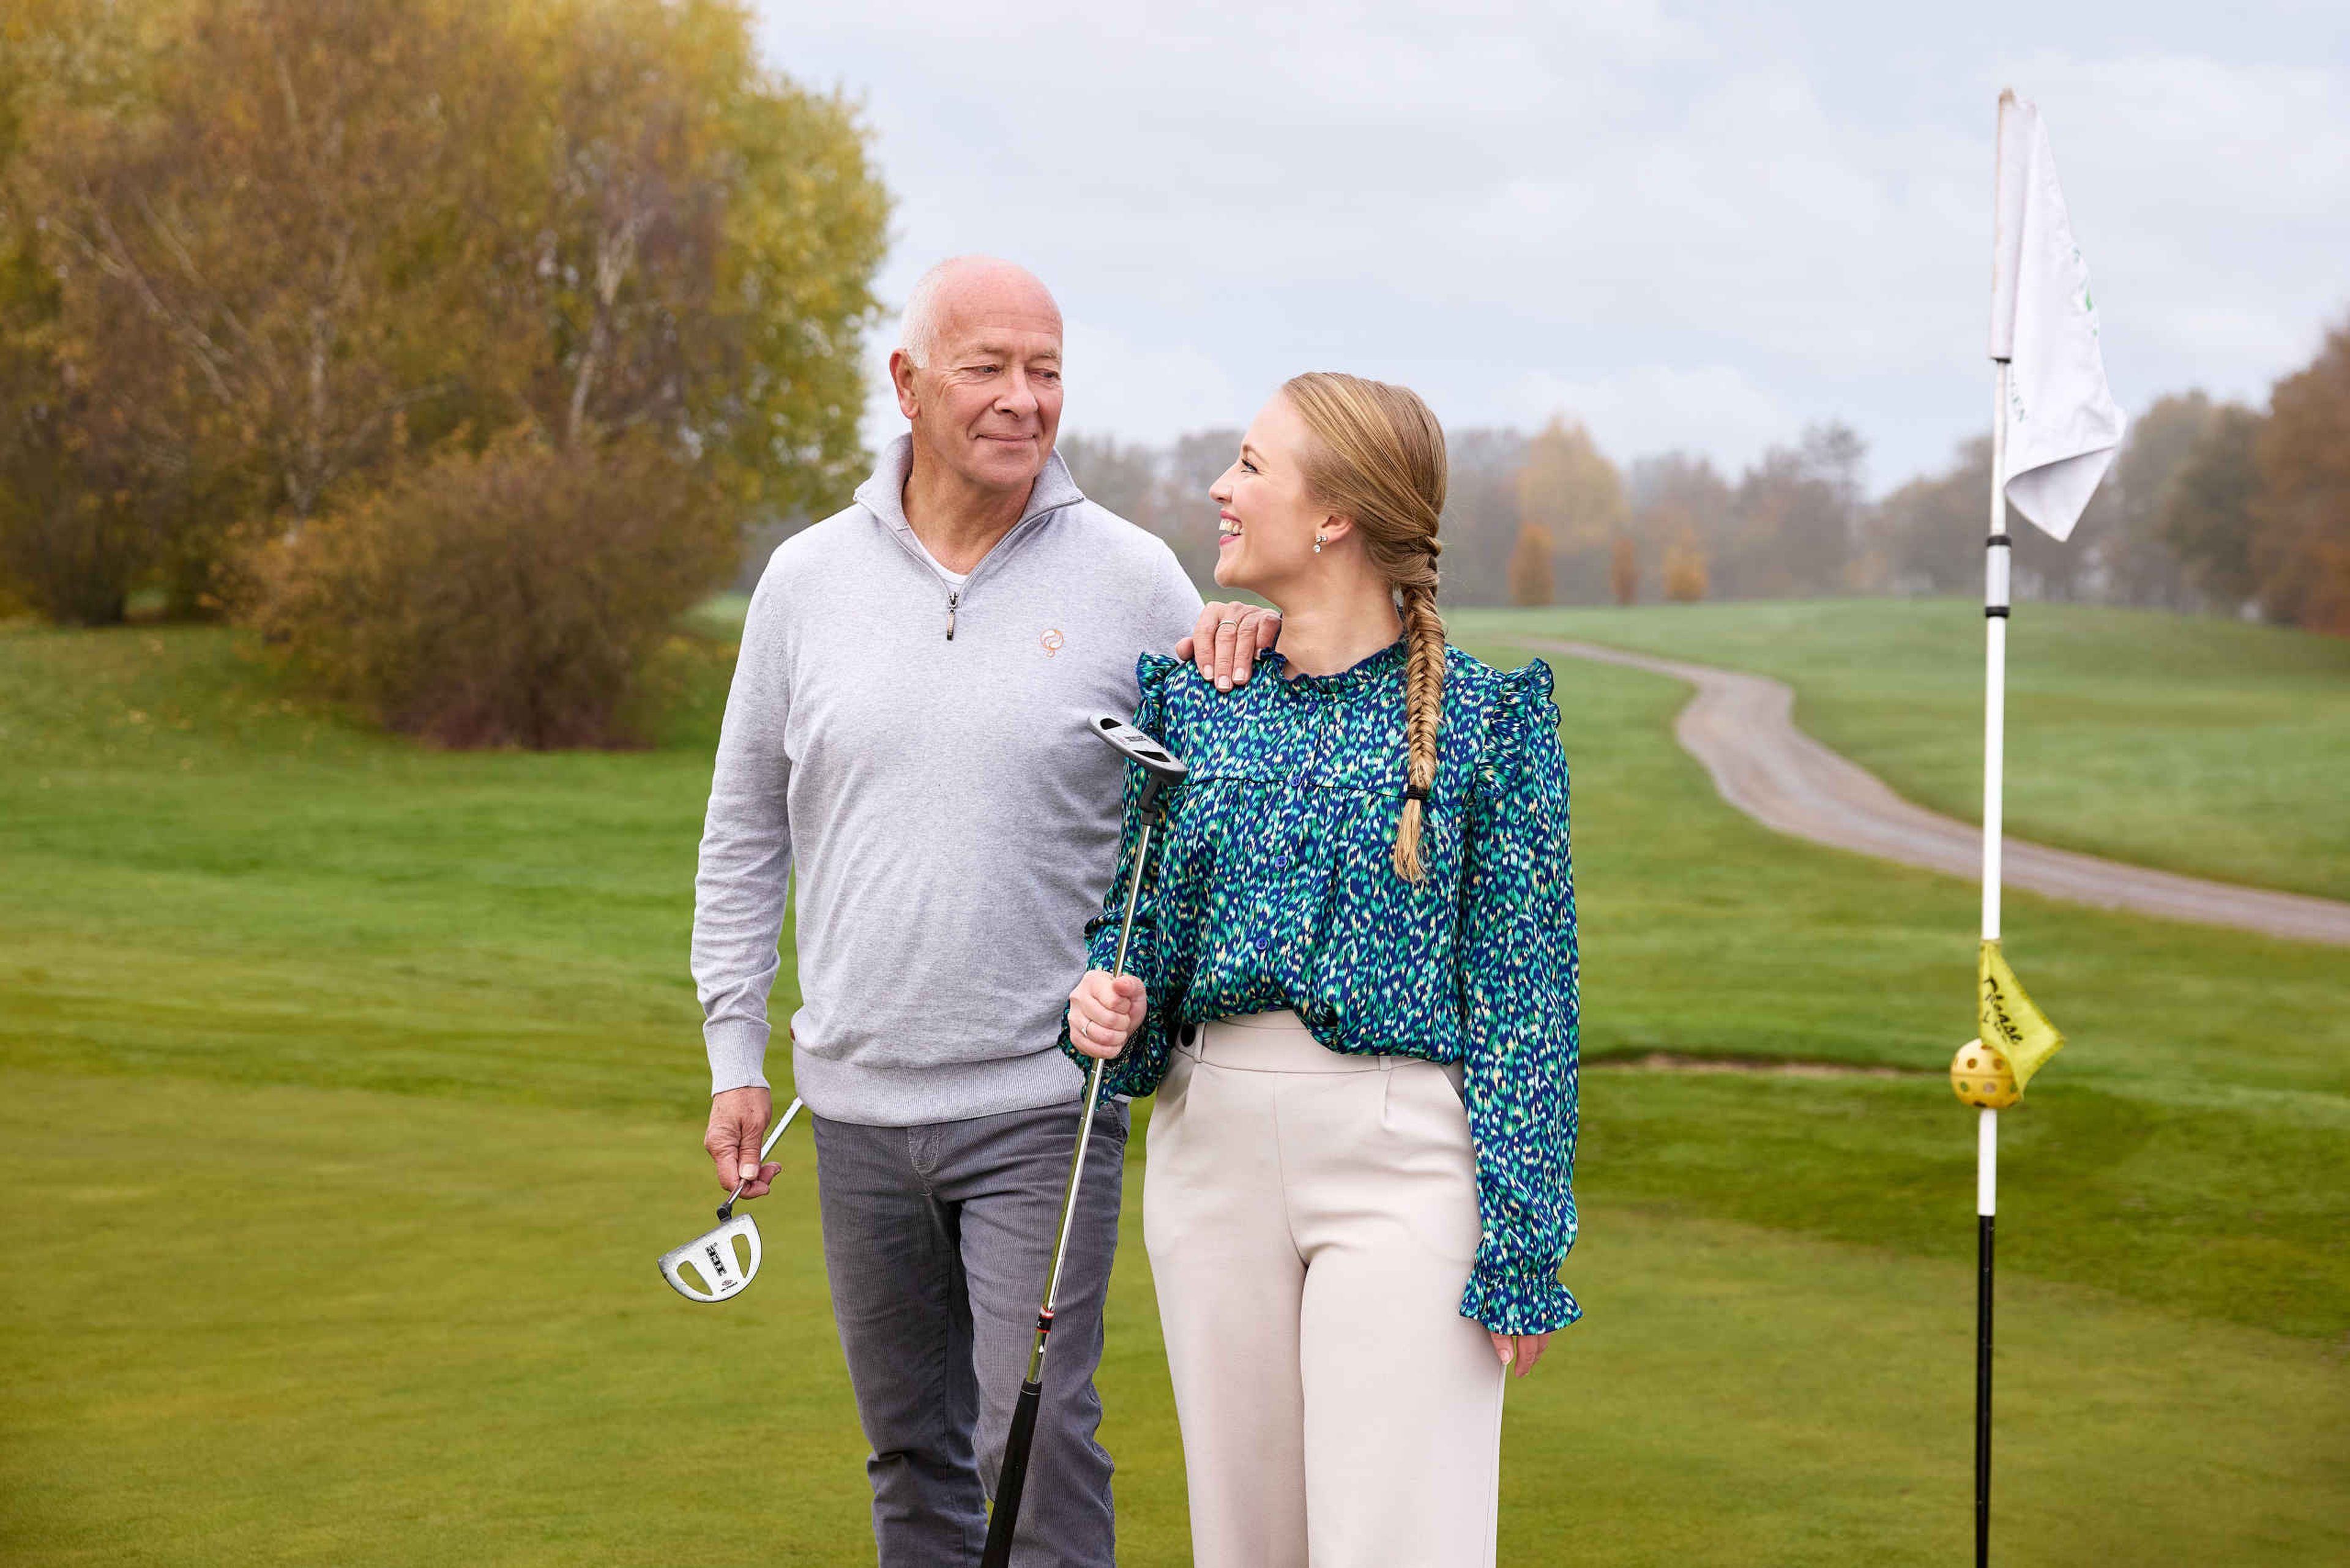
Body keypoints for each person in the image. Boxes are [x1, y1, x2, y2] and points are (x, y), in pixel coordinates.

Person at [689, 255, 1269, 1566]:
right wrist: (735, 1052)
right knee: (912, 1456)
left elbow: (1226, 798)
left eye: (1046, 370)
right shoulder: (804, 580)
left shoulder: (1131, 577)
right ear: (907, 383)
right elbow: (744, 832)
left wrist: (1242, 639)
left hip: (1042, 1102)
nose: (1023, 398)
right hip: (854, 1107)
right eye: (988, 367)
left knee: (1039, 1443)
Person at [1063, 372, 1581, 1568]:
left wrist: (1523, 1243)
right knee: (1243, 1545)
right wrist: (1107, 1004)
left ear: (1336, 514)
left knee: (1401, 1542)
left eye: (1251, 464)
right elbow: (1138, 937)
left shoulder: (1489, 724)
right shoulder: (1196, 699)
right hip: (1208, 1154)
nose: (1220, 487)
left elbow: (1525, 1004)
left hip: (1403, 1165)